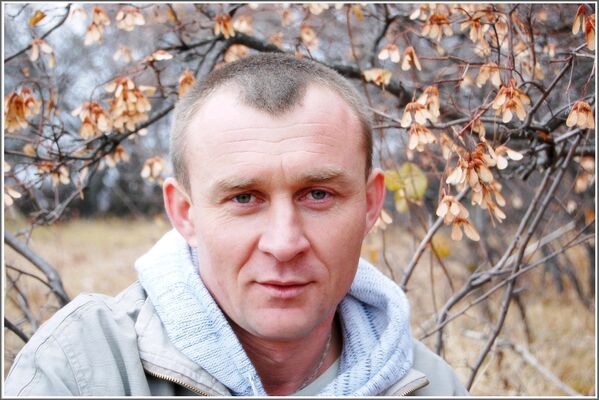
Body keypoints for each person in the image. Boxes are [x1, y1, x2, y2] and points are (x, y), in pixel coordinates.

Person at [4, 53, 468, 397]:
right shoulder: (82, 368)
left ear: (370, 205)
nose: (284, 244)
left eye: (318, 194)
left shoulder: (430, 387)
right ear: (184, 213)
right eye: (244, 198)